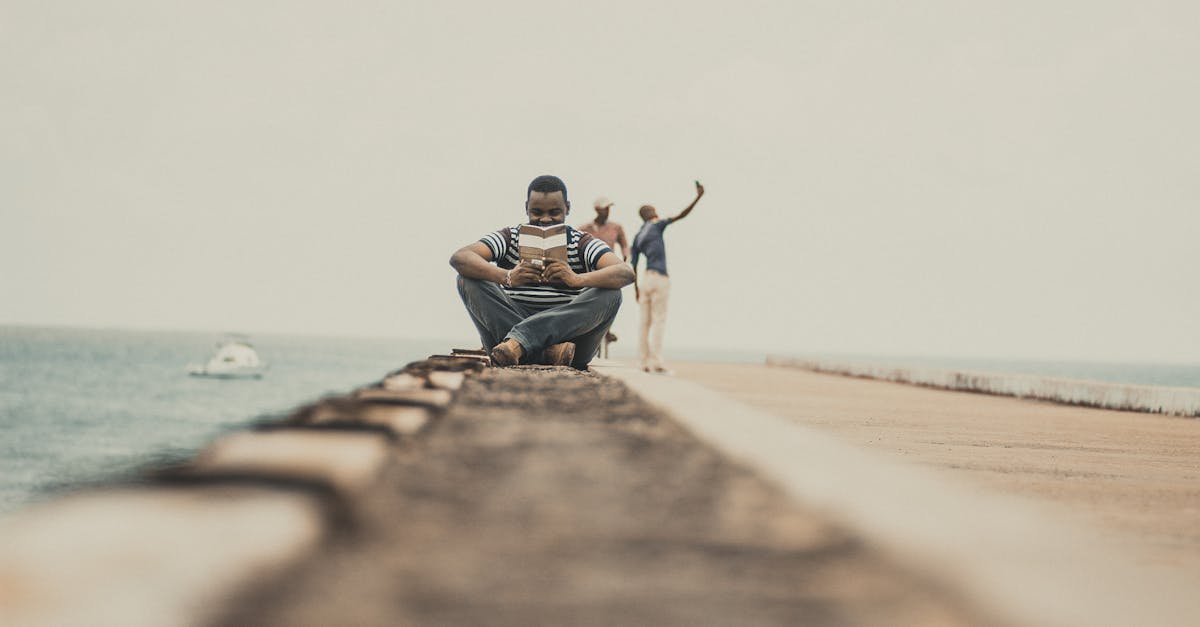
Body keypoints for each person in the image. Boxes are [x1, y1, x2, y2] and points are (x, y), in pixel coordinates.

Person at [450, 175, 634, 370]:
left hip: (569, 338)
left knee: (611, 293)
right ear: (526, 207)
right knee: (467, 279)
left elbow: (625, 272)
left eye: (555, 212)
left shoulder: (581, 242)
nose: (545, 219)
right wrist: (507, 276)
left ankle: (521, 344)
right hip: (510, 332)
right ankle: (545, 351)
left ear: (568, 208)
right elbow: (461, 257)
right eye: (537, 212)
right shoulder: (510, 236)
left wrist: (576, 279)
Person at [629, 180, 705, 374]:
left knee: (644, 323)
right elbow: (681, 215)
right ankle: (657, 362)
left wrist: (636, 289)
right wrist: (698, 196)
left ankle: (643, 362)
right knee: (659, 320)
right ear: (653, 213)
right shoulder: (656, 224)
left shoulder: (639, 235)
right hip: (660, 277)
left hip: (645, 280)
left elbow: (634, 264)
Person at [578, 196, 629, 357]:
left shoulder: (616, 227)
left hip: (609, 270)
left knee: (612, 298)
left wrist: (625, 258)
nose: (607, 212)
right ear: (597, 210)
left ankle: (607, 330)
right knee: (588, 301)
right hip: (588, 271)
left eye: (608, 209)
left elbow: (625, 245)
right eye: (604, 209)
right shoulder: (585, 228)